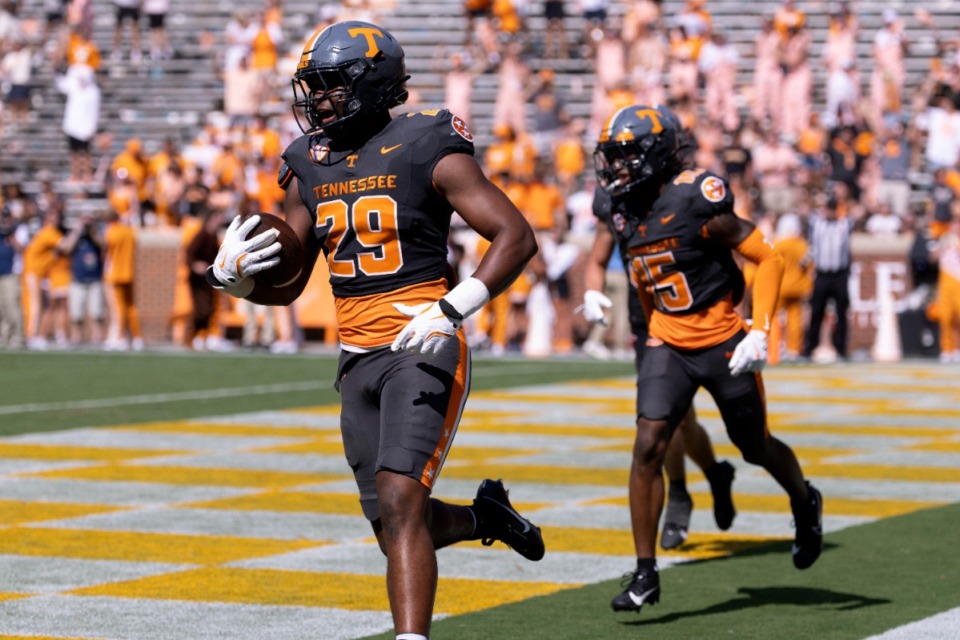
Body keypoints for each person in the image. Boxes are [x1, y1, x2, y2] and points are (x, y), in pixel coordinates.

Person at [204, 21, 542, 640]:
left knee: (398, 498)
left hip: (423, 341)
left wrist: (451, 308)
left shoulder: (423, 141)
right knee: (393, 524)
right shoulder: (311, 159)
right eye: (314, 87)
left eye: (331, 86)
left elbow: (515, 235)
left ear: (373, 84)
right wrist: (242, 284)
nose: (318, 100)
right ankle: (485, 517)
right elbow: (292, 280)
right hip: (356, 356)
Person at [592, 105, 823, 614]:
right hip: (666, 341)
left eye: (626, 156)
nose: (616, 168)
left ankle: (804, 501)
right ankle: (645, 572)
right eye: (612, 157)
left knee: (754, 446)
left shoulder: (696, 198)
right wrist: (606, 298)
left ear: (656, 155)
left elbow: (768, 258)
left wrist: (758, 330)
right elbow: (623, 267)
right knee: (648, 443)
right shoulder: (618, 205)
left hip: (721, 338)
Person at [581, 157, 736, 552]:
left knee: (684, 421)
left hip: (697, 313)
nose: (618, 170)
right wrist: (591, 289)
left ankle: (714, 475)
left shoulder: (685, 194)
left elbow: (731, 251)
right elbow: (599, 256)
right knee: (668, 421)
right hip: (649, 320)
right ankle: (684, 493)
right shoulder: (617, 201)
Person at [802, 194, 856, 362]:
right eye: (829, 208)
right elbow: (805, 211)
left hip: (839, 274)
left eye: (833, 208)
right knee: (816, 312)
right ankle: (810, 347)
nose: (831, 212)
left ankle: (841, 349)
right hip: (823, 274)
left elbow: (857, 213)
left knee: (842, 312)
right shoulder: (817, 223)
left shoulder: (844, 224)